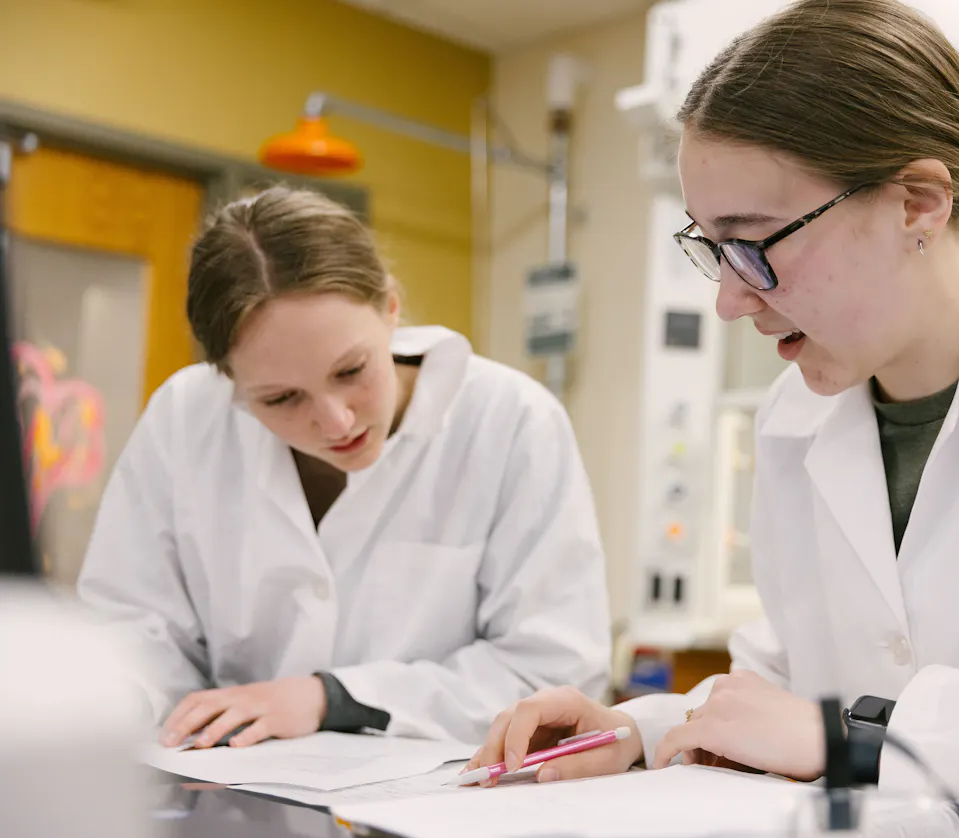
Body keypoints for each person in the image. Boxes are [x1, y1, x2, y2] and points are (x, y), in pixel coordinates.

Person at [465, 1, 959, 835]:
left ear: (918, 202)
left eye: (755, 243)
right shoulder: (795, 416)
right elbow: (788, 687)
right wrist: (642, 729)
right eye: (712, 248)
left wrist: (864, 739)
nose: (731, 300)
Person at [77, 186, 611, 749]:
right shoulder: (186, 419)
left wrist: (331, 697)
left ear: (390, 308)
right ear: (229, 379)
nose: (335, 422)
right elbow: (135, 629)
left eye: (351, 370)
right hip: (228, 788)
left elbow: (555, 673)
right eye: (282, 399)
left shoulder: (510, 422)